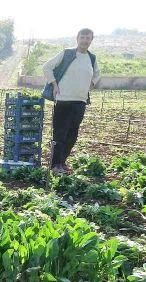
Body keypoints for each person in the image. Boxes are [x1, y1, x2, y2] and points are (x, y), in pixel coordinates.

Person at [42, 28, 101, 175]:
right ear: (77, 38)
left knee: (72, 135)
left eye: (88, 38)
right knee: (60, 133)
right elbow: (47, 67)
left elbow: (97, 74)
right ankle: (55, 165)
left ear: (91, 40)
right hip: (63, 100)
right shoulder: (67, 53)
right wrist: (54, 84)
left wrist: (91, 84)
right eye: (83, 37)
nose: (85, 41)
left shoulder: (92, 58)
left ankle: (62, 162)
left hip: (80, 101)